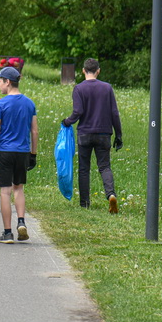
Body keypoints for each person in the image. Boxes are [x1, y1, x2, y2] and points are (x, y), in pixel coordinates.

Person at [61, 58, 123, 213]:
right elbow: (114, 113)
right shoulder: (107, 88)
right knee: (104, 167)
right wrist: (118, 135)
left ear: (83, 70)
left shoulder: (79, 88)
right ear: (98, 71)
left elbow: (78, 112)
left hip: (85, 133)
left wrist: (67, 122)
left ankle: (85, 203)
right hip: (104, 133)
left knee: (84, 169)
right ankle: (111, 195)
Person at [0, 66, 38, 244]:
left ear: (8, 82)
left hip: (5, 151)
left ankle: (7, 232)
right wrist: (33, 154)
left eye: (0, 81)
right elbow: (34, 131)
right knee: (19, 188)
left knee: (5, 192)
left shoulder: (1, 104)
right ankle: (21, 222)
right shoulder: (29, 103)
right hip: (23, 152)